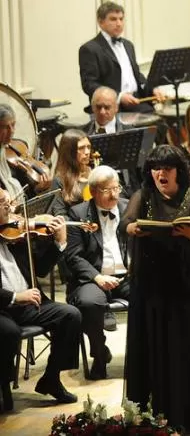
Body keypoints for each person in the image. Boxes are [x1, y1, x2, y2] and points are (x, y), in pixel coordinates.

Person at [121, 145, 190, 432]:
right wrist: (132, 229)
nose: (161, 174)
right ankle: (155, 415)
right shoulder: (142, 196)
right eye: (156, 168)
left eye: (167, 168)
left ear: (178, 171)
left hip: (186, 288)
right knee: (154, 349)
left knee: (185, 352)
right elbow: (126, 223)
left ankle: (189, 413)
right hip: (152, 287)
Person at [0, 189, 80, 411]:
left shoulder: (15, 235)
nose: (10, 207)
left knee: (70, 315)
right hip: (4, 308)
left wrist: (59, 242)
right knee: (9, 332)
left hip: (30, 303)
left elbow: (42, 270)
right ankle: (3, 387)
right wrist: (16, 296)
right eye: (3, 203)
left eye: (9, 202)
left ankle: (52, 378)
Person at [64, 165, 130, 380]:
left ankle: (143, 354)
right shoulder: (78, 214)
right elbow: (73, 256)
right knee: (89, 303)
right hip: (94, 278)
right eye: (106, 190)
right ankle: (99, 353)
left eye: (116, 188)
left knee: (153, 294)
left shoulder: (129, 208)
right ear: (92, 192)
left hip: (126, 276)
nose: (113, 194)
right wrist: (98, 277)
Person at [78, 2, 163, 112]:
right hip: (111, 107)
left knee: (163, 121)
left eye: (121, 19)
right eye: (113, 19)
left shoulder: (128, 45)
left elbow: (136, 76)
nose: (119, 23)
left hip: (137, 102)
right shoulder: (90, 49)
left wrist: (153, 89)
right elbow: (89, 84)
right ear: (100, 22)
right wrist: (119, 96)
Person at [49, 129, 93, 218]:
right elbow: (60, 215)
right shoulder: (59, 180)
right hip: (75, 229)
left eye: (88, 147)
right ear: (69, 152)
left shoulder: (95, 173)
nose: (87, 152)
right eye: (81, 148)